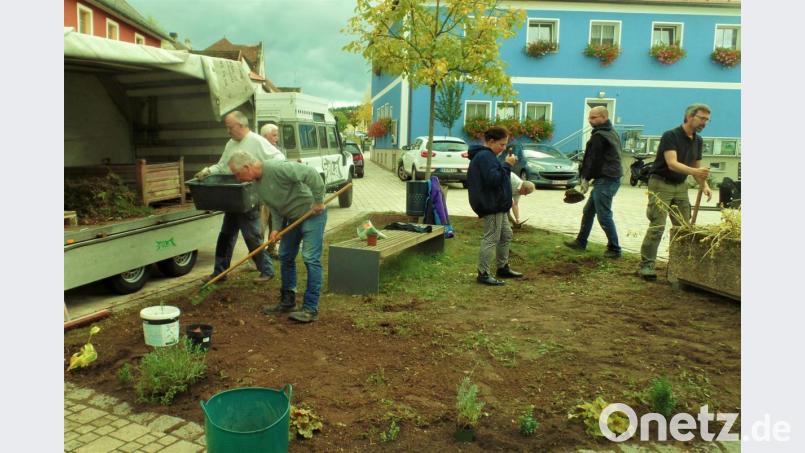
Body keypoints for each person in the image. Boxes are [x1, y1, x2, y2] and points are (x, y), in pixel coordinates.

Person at [227, 150, 327, 323]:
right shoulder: (256, 184)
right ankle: (288, 301)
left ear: (246, 167)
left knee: (310, 258)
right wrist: (276, 228)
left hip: (312, 215)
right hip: (293, 219)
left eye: (237, 174)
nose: (238, 179)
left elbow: (310, 173)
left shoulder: (277, 167)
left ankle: (311, 308)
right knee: (285, 255)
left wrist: (318, 200)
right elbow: (274, 205)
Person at [194, 111, 284, 283]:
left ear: (241, 125)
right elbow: (222, 166)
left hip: (249, 195)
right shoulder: (231, 143)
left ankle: (267, 270)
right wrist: (208, 171)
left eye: (230, 127)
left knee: (251, 236)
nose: (228, 131)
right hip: (232, 196)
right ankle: (219, 273)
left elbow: (279, 158)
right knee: (225, 235)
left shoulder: (256, 141)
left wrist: (260, 173)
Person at [638, 103, 713, 280]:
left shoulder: (698, 140)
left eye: (707, 120)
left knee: (684, 228)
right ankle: (646, 266)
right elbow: (672, 163)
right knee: (658, 226)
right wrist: (695, 172)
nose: (705, 123)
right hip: (660, 183)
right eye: (702, 119)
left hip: (680, 186)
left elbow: (696, 166)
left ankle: (679, 267)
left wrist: (704, 185)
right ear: (689, 117)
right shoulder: (670, 135)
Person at [564, 106, 624, 258]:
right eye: (589, 118)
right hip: (609, 177)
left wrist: (585, 178)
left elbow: (593, 160)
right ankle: (581, 241)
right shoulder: (611, 133)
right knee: (588, 211)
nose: (590, 121)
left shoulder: (600, 136)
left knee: (604, 214)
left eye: (594, 117)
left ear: (604, 117)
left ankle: (614, 249)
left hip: (606, 179)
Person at [466, 126, 523, 286]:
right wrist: (507, 165)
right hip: (492, 204)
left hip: (498, 204)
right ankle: (483, 273)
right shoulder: (485, 157)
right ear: (491, 141)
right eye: (502, 144)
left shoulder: (488, 156)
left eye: (505, 145)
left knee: (506, 234)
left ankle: (502, 267)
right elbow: (494, 180)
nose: (504, 148)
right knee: (491, 237)